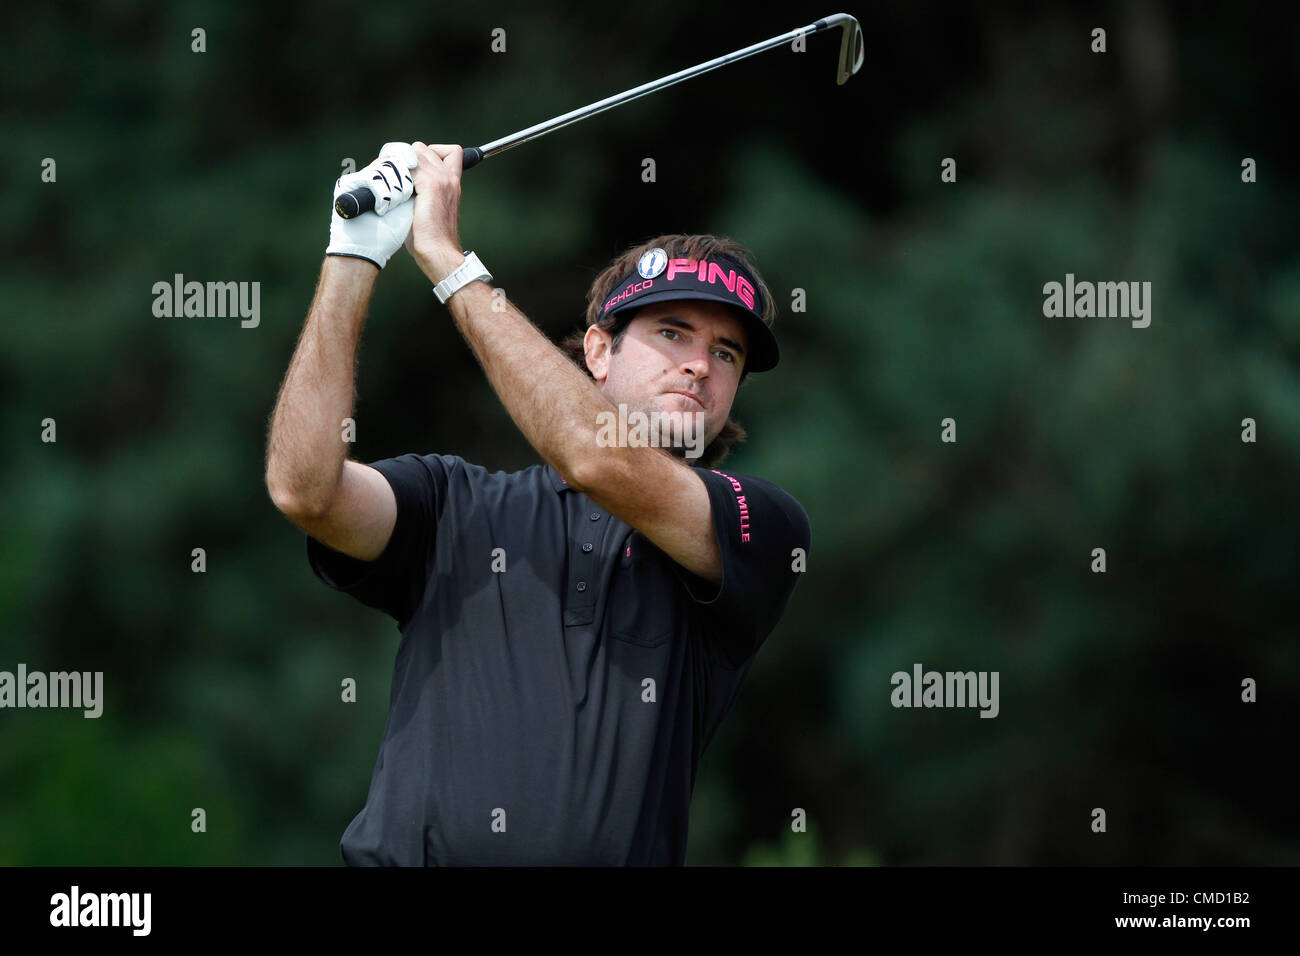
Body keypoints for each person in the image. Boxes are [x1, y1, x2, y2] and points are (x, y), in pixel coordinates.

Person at [265, 142, 812, 865]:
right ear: (597, 351)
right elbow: (303, 488)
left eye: (727, 353)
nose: (699, 365)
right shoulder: (453, 500)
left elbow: (595, 456)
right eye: (672, 333)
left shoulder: (757, 526)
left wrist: (449, 262)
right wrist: (351, 257)